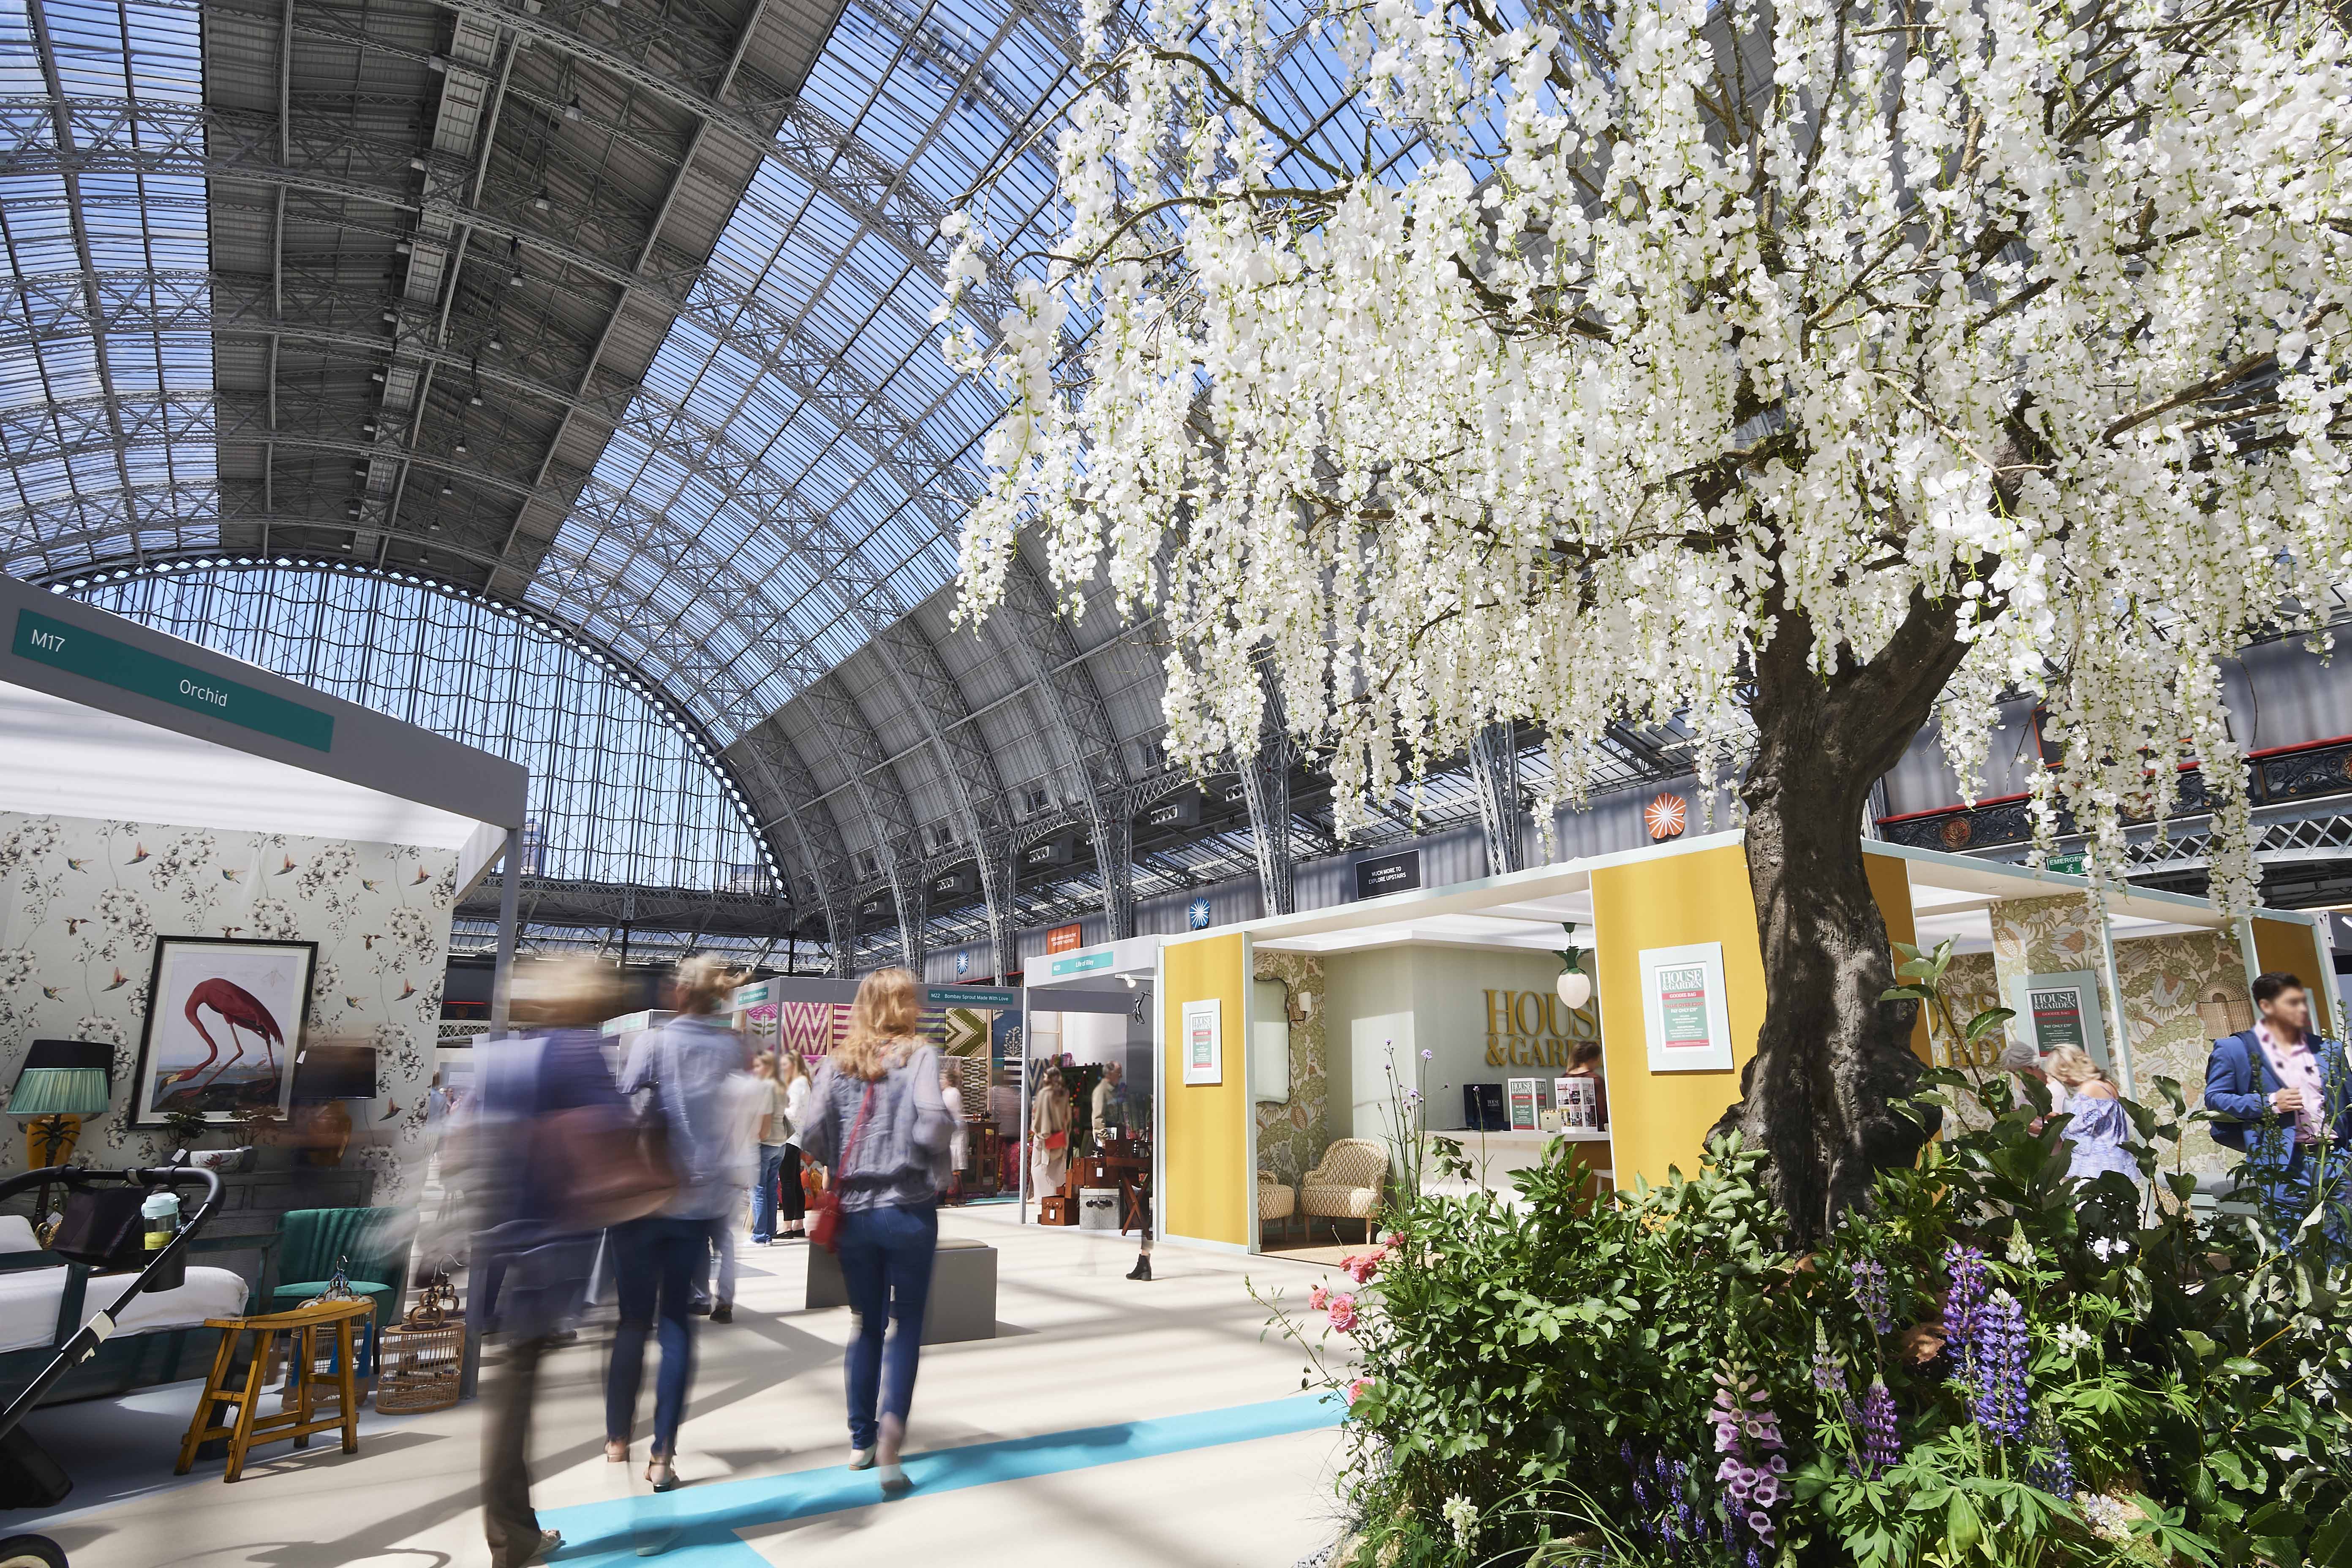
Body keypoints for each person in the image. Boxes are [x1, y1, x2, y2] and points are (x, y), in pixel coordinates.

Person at [472, 957, 628, 1568]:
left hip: (508, 1237)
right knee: (519, 1394)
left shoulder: (510, 1056)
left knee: (514, 1390)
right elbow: (606, 1135)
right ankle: (512, 1539)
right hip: (557, 1244)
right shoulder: (576, 1053)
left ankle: (514, 1531)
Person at [797, 967, 952, 1494]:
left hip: (856, 1212)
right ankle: (891, 1437)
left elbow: (812, 1135)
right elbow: (932, 1120)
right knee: (905, 1323)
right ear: (905, 1005)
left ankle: (860, 1440)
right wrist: (921, 1148)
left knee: (864, 1323)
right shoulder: (921, 1055)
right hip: (908, 1208)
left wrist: (849, 1151)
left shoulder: (836, 1063)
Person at [607, 955, 749, 1490]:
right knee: (677, 1328)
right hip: (699, 1206)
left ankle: (617, 1438)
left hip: (644, 1203)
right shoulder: (732, 1047)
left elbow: (623, 1106)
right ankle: (663, 1453)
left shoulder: (654, 1042)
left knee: (630, 1322)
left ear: (682, 994)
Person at [2206, 971, 2352, 1242]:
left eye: (2302, 1002)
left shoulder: (2329, 1049)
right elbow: (2215, 1098)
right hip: (2282, 1162)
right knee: (2291, 1244)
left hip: (2334, 1159)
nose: (2302, 1009)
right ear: (2267, 1007)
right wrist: (2271, 1103)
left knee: (2341, 1242)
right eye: (2291, 1003)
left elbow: (2350, 1101)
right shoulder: (2235, 1049)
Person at [2042, 1047, 2139, 1184]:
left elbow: (2076, 1134)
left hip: (2097, 1170)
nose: (2063, 1081)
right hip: (2116, 1165)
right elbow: (2095, 1123)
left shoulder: (2089, 1089)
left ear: (2067, 1071)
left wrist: (2049, 1124)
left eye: (2060, 1075)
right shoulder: (2106, 1084)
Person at [750, 1052, 792, 1245]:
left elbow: (762, 1115)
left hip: (765, 1143)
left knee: (758, 1189)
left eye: (759, 1066)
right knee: (771, 1189)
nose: (755, 1070)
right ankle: (769, 1233)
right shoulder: (781, 1087)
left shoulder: (765, 1087)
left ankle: (760, 1235)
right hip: (780, 1143)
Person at [777, 1051, 811, 1241]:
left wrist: (776, 1107)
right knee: (794, 1181)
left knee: (788, 1182)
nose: (782, 1069)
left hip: (790, 1137)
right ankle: (798, 1223)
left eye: (785, 1065)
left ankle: (787, 1225)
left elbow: (794, 1112)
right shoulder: (802, 1083)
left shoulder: (798, 1083)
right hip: (794, 1138)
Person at [1031, 1071, 1072, 1206]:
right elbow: (1068, 1117)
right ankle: (1055, 1197)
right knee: (1058, 1168)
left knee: (1039, 1166)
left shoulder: (1044, 1094)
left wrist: (1038, 1131)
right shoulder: (1064, 1093)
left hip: (1044, 1136)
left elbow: (1039, 1117)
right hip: (1060, 1136)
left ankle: (1042, 1198)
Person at [941, 1064, 968, 1202]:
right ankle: (956, 1194)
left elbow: (946, 1110)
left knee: (954, 1163)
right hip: (953, 1129)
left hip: (954, 1131)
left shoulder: (951, 1093)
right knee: (954, 1163)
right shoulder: (951, 1092)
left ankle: (953, 1194)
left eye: (943, 1079)